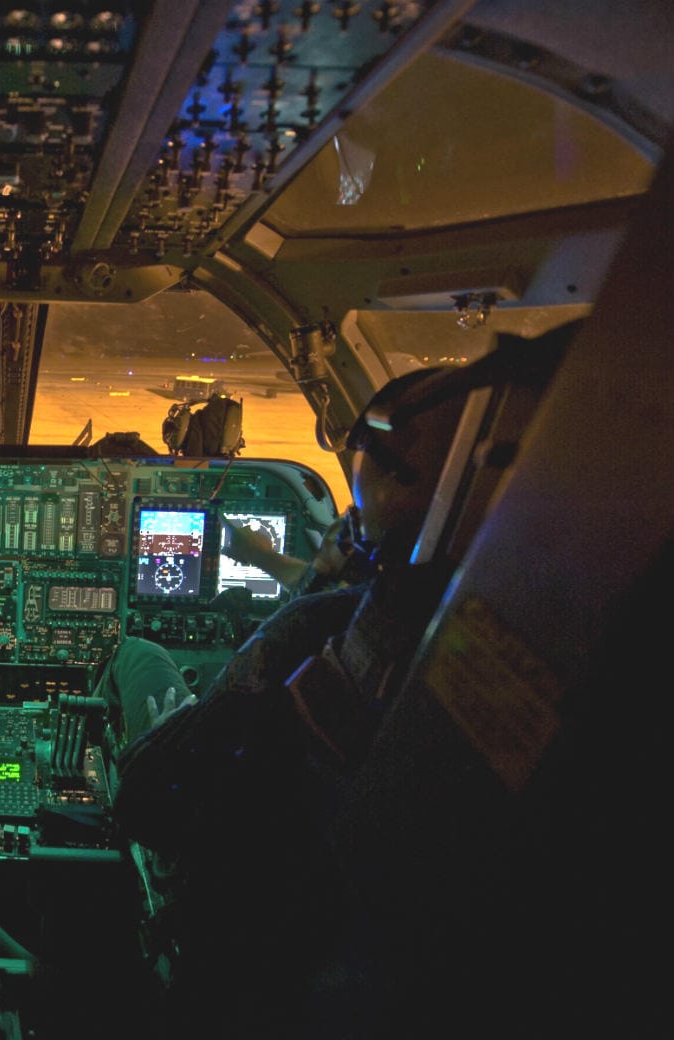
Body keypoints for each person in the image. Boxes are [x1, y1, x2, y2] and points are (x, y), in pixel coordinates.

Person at [95, 364, 476, 1033]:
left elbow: (144, 798)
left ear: (393, 483)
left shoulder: (325, 629)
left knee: (135, 651)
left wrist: (194, 715)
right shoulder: (514, 639)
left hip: (247, 919)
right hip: (338, 949)